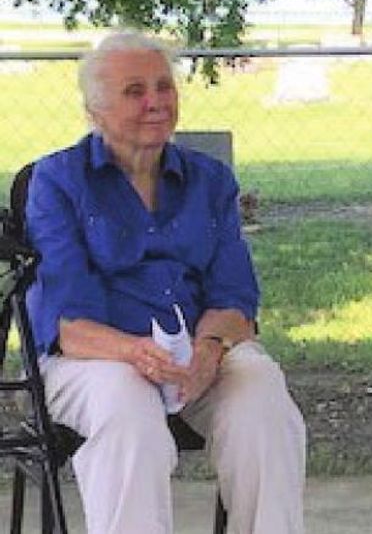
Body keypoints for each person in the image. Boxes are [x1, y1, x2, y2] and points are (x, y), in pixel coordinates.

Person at [25, 30, 306, 534]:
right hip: (95, 360)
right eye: (135, 91)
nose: (156, 102)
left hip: (191, 355)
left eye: (164, 87)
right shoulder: (58, 181)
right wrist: (133, 352)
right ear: (96, 110)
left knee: (261, 391)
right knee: (126, 406)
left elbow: (234, 294)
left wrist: (211, 347)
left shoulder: (211, 181)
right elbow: (69, 322)